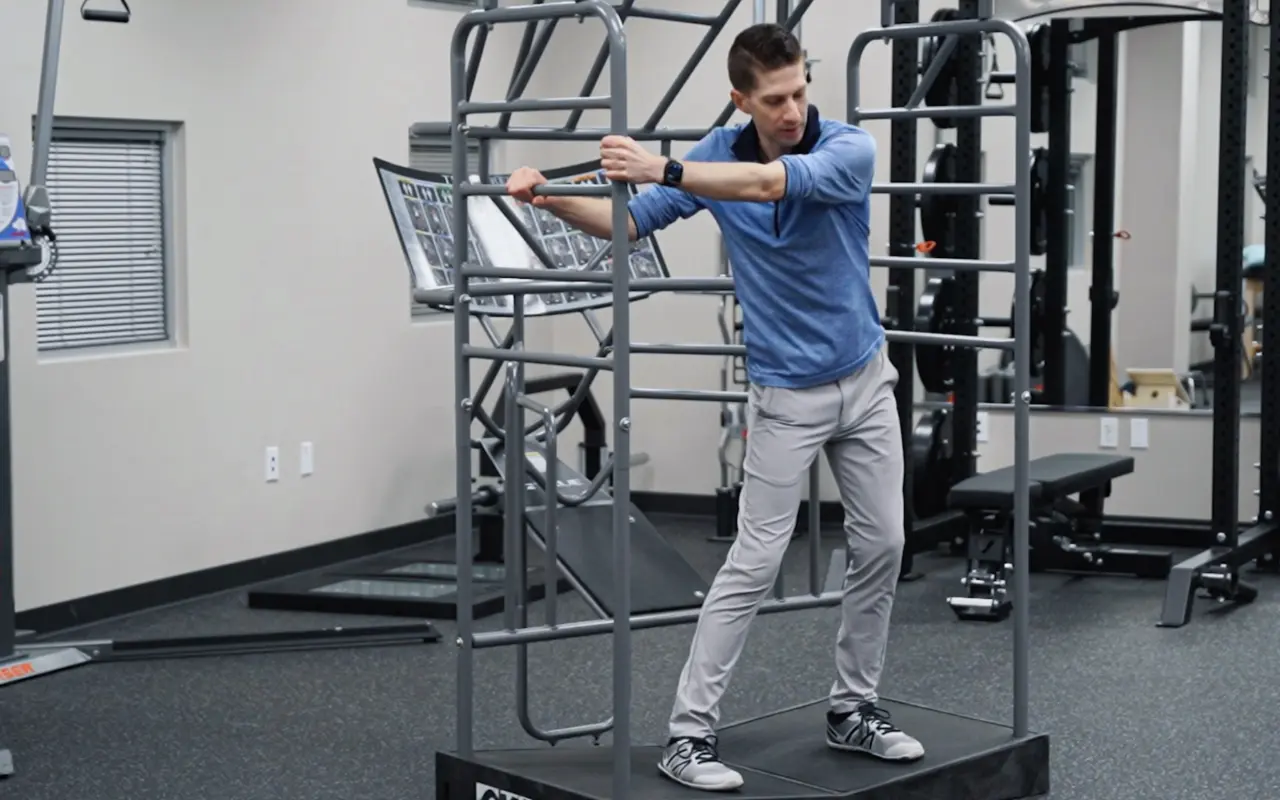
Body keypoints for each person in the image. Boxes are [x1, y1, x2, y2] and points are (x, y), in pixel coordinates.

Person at [505, 22, 924, 793]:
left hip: (867, 382)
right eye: (775, 99)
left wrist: (663, 164)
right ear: (741, 100)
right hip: (788, 394)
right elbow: (629, 221)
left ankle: (853, 707)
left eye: (800, 91)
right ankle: (688, 736)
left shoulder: (846, 150)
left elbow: (770, 185)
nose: (792, 108)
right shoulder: (713, 155)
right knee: (755, 560)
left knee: (886, 545)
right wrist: (550, 197)